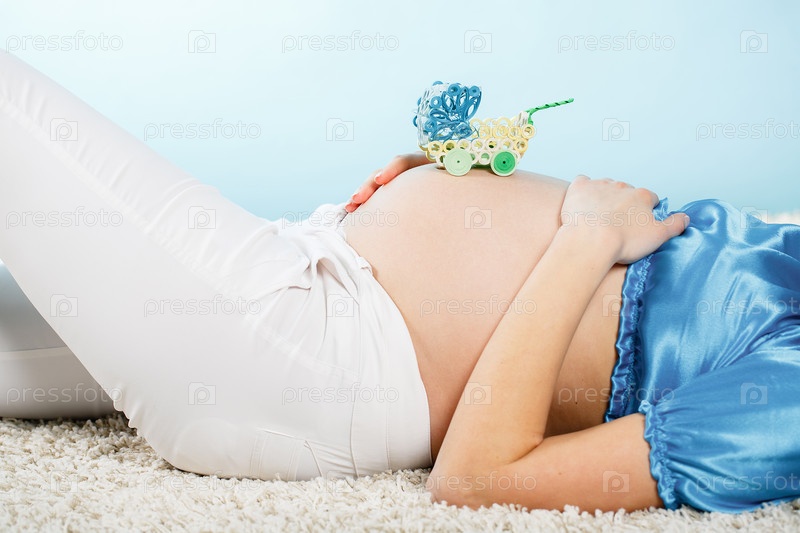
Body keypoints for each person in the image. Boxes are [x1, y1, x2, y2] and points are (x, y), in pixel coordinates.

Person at [1, 50, 799, 514]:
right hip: (313, 259)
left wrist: (585, 239)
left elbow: (479, 477)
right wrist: (450, 181)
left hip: (312, 355)